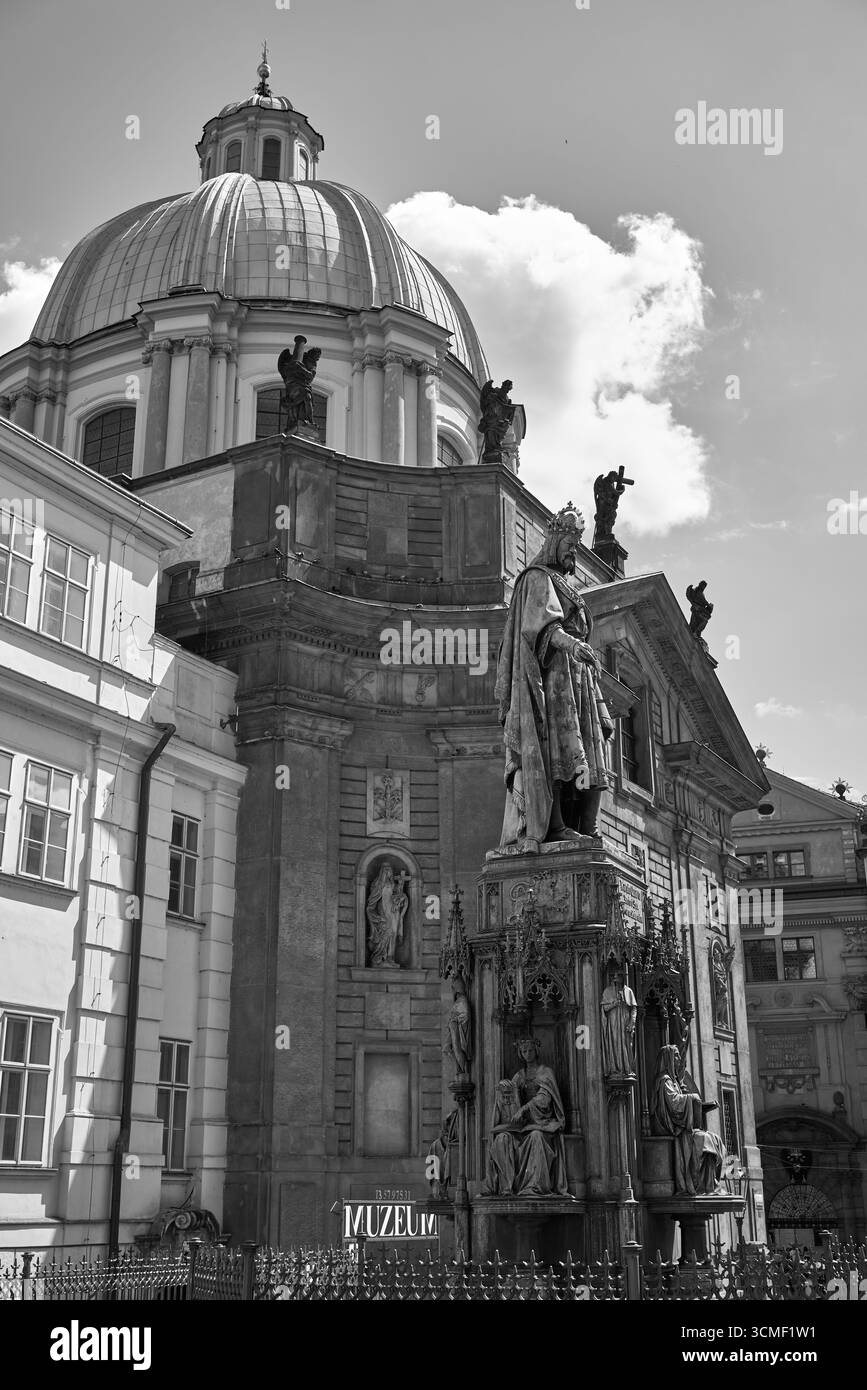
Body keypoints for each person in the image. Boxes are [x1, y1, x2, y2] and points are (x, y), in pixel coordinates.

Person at [495, 503, 614, 844]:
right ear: (554, 542)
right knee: (557, 751)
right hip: (554, 677)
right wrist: (573, 646)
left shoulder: (561, 581)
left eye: (577, 546)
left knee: (594, 748)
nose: (573, 552)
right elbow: (541, 626)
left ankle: (589, 828)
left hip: (580, 679)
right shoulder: (537, 578)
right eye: (569, 545)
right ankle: (556, 825)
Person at [482, 1038, 568, 1197]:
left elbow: (545, 1098)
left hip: (542, 1124)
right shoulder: (519, 1075)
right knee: (501, 1139)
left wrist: (524, 1109)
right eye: (524, 1051)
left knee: (536, 1138)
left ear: (536, 1051)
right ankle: (506, 1188)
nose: (527, 1054)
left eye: (530, 1050)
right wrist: (504, 1093)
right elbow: (511, 1100)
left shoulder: (545, 1072)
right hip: (522, 1127)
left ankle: (533, 1186)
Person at [652, 1044, 725, 1196]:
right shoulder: (664, 1081)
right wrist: (693, 1098)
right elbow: (674, 1104)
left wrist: (701, 1104)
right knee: (705, 1140)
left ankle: (710, 1184)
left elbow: (681, 1102)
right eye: (676, 1055)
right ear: (668, 1059)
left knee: (714, 1138)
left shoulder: (674, 1081)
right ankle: (701, 1185)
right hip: (676, 1129)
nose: (679, 1059)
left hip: (683, 1127)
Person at [365, 864, 408, 967]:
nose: (389, 872)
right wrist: (374, 912)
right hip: (383, 909)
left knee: (393, 933)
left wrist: (401, 895)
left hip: (392, 910)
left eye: (390, 870)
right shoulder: (377, 883)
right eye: (386, 870)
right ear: (382, 871)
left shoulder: (393, 884)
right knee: (386, 932)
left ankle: (390, 957)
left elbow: (397, 895)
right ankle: (379, 957)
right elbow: (373, 899)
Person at [600, 966, 638, 1077]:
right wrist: (614, 1004)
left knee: (627, 1046)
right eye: (614, 977)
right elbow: (604, 1009)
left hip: (626, 1023)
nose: (616, 979)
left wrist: (632, 1022)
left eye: (619, 976)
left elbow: (634, 1008)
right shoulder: (608, 991)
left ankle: (627, 1069)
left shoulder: (628, 991)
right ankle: (614, 1069)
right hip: (613, 1024)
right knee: (614, 1044)